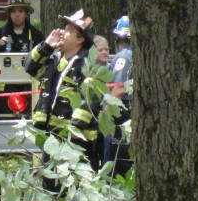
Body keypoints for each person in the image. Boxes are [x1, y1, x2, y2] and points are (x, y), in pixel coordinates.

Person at [24, 9, 103, 171]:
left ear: (80, 39)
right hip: (53, 139)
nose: (61, 32)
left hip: (77, 143)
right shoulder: (54, 61)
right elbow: (29, 66)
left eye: (68, 31)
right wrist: (46, 45)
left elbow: (89, 103)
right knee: (50, 186)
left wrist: (73, 130)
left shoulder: (88, 65)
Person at [0, 0, 44, 119]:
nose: (17, 14)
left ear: (26, 13)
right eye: (14, 11)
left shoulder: (36, 35)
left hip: (28, 83)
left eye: (20, 11)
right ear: (9, 13)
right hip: (4, 86)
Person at [104, 16, 133, 174]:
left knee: (115, 169)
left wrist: (105, 115)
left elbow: (118, 88)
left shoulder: (123, 57)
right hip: (129, 119)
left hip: (119, 119)